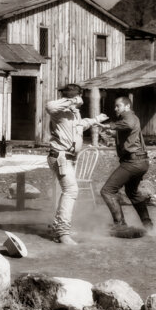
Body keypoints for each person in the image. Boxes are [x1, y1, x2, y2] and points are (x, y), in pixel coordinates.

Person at [45, 83, 107, 245]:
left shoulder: (74, 113)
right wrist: (72, 101)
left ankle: (58, 228)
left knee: (68, 191)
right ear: (74, 97)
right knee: (71, 191)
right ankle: (62, 232)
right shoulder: (59, 110)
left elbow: (80, 125)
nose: (81, 100)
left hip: (68, 158)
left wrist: (96, 120)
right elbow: (49, 106)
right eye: (78, 97)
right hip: (60, 157)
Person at [99, 96, 153, 234]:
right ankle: (148, 226)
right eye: (115, 106)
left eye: (118, 106)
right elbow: (129, 133)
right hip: (141, 161)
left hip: (133, 162)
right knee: (132, 192)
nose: (115, 108)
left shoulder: (128, 116)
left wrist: (109, 126)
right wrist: (112, 134)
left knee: (107, 191)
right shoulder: (130, 118)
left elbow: (128, 124)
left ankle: (120, 226)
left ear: (127, 106)